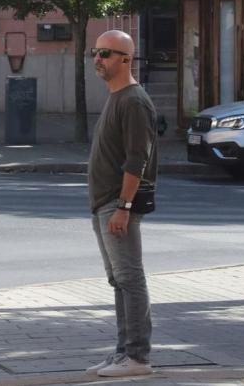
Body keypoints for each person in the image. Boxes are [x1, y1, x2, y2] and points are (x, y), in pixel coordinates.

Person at [85, 30, 158, 377]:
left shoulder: (133, 101)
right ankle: (122, 353)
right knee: (118, 280)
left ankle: (137, 357)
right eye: (95, 52)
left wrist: (124, 207)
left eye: (106, 54)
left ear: (126, 59)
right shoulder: (117, 97)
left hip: (117, 203)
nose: (98, 59)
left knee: (130, 278)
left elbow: (136, 160)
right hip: (104, 203)